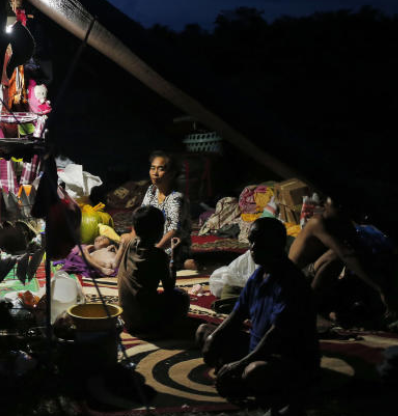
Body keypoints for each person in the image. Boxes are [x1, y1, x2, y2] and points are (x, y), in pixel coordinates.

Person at [198, 218, 319, 415]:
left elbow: (275, 337)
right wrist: (215, 337)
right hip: (257, 348)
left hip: (286, 358)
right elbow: (238, 314)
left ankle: (273, 392)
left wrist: (240, 364)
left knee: (253, 371)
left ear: (277, 245)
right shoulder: (259, 275)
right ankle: (240, 379)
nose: (253, 248)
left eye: (260, 242)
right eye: (252, 241)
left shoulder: (291, 282)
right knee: (205, 332)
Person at [288, 196, 398, 324]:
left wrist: (384, 283)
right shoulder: (318, 222)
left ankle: (327, 307)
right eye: (336, 204)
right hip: (295, 278)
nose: (341, 208)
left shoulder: (341, 221)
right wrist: (380, 288)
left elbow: (358, 249)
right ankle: (312, 307)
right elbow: (346, 255)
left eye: (343, 204)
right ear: (324, 204)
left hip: (313, 274)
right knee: (336, 255)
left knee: (357, 272)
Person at [117, 206, 189, 336]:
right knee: (181, 297)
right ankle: (167, 328)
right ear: (158, 231)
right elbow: (169, 288)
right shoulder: (158, 256)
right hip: (145, 323)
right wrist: (174, 255)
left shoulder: (130, 244)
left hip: (126, 318)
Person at [141, 150, 194, 269]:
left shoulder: (176, 198)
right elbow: (141, 218)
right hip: (153, 243)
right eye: (152, 168)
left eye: (161, 169)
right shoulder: (151, 190)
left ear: (171, 173)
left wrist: (155, 250)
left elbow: (173, 231)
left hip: (173, 247)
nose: (155, 173)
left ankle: (183, 264)